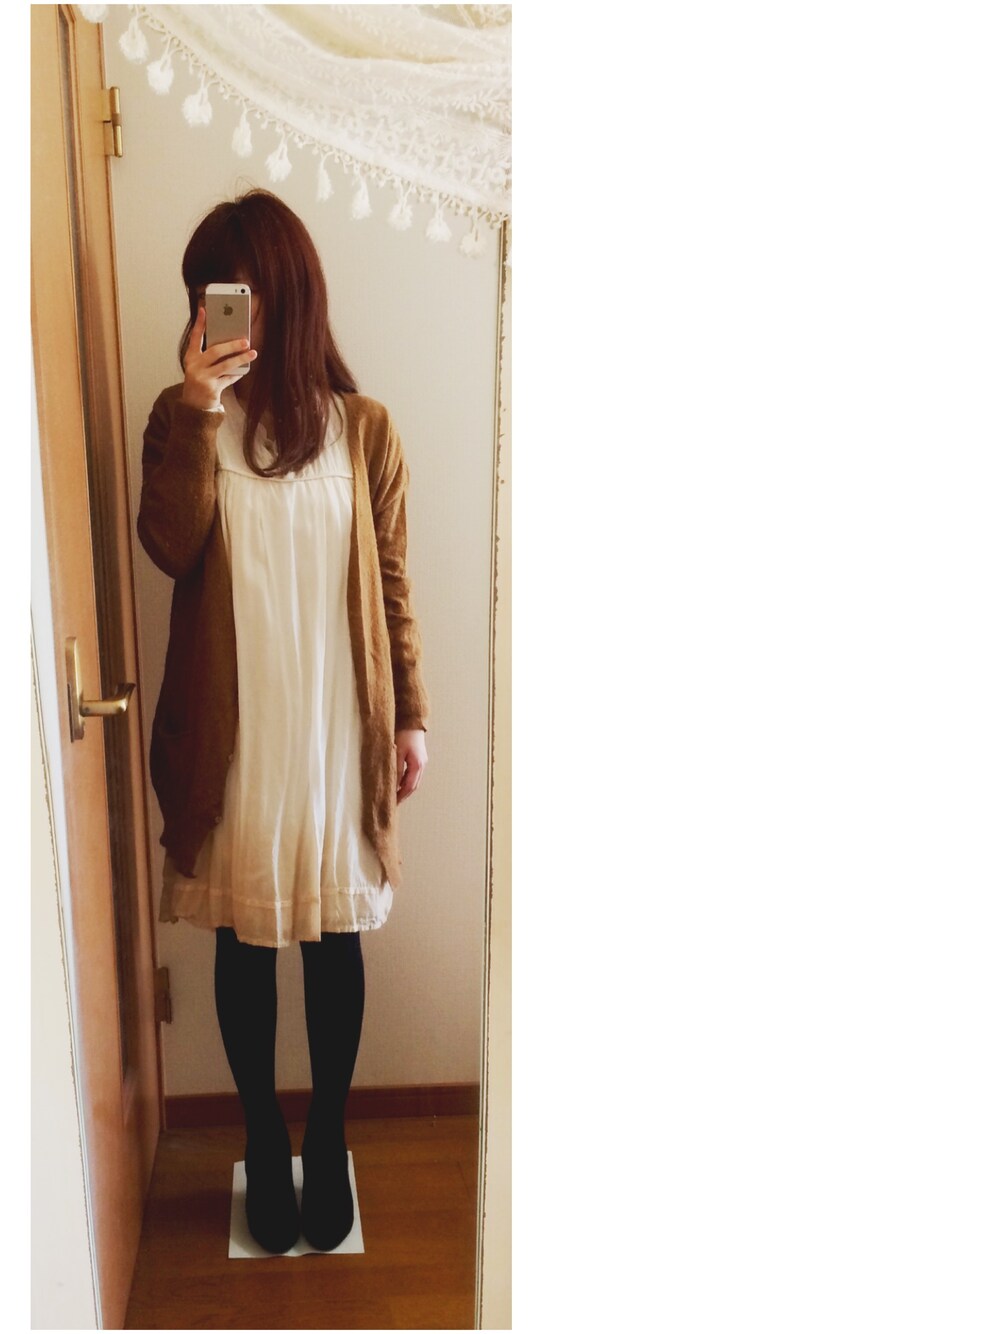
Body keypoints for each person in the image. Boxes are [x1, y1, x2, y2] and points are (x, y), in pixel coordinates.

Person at [136, 189, 429, 1255]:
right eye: (205, 296)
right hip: (239, 734)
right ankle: (264, 1136)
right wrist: (197, 405)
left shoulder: (365, 429)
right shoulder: (183, 421)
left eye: (235, 291)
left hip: (337, 730)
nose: (215, 313)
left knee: (335, 936)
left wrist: (412, 715)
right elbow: (169, 545)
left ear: (286, 292)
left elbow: (392, 583)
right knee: (244, 938)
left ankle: (328, 1129)